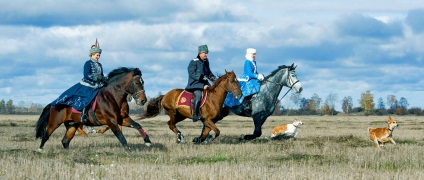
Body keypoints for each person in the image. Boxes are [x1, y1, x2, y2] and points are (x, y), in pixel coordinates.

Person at [51, 39, 107, 123]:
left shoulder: (99, 64)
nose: (98, 57)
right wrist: (97, 78)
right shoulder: (87, 63)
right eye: (97, 55)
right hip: (88, 84)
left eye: (99, 55)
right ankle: (84, 114)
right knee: (88, 97)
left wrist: (104, 79)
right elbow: (86, 75)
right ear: (92, 54)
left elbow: (101, 75)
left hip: (98, 85)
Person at [185, 44, 217, 122]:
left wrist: (214, 79)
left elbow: (208, 72)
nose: (206, 54)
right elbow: (191, 73)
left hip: (204, 84)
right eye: (205, 53)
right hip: (195, 85)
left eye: (207, 53)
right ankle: (195, 115)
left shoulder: (206, 61)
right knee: (198, 96)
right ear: (200, 53)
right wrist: (200, 77)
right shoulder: (193, 62)